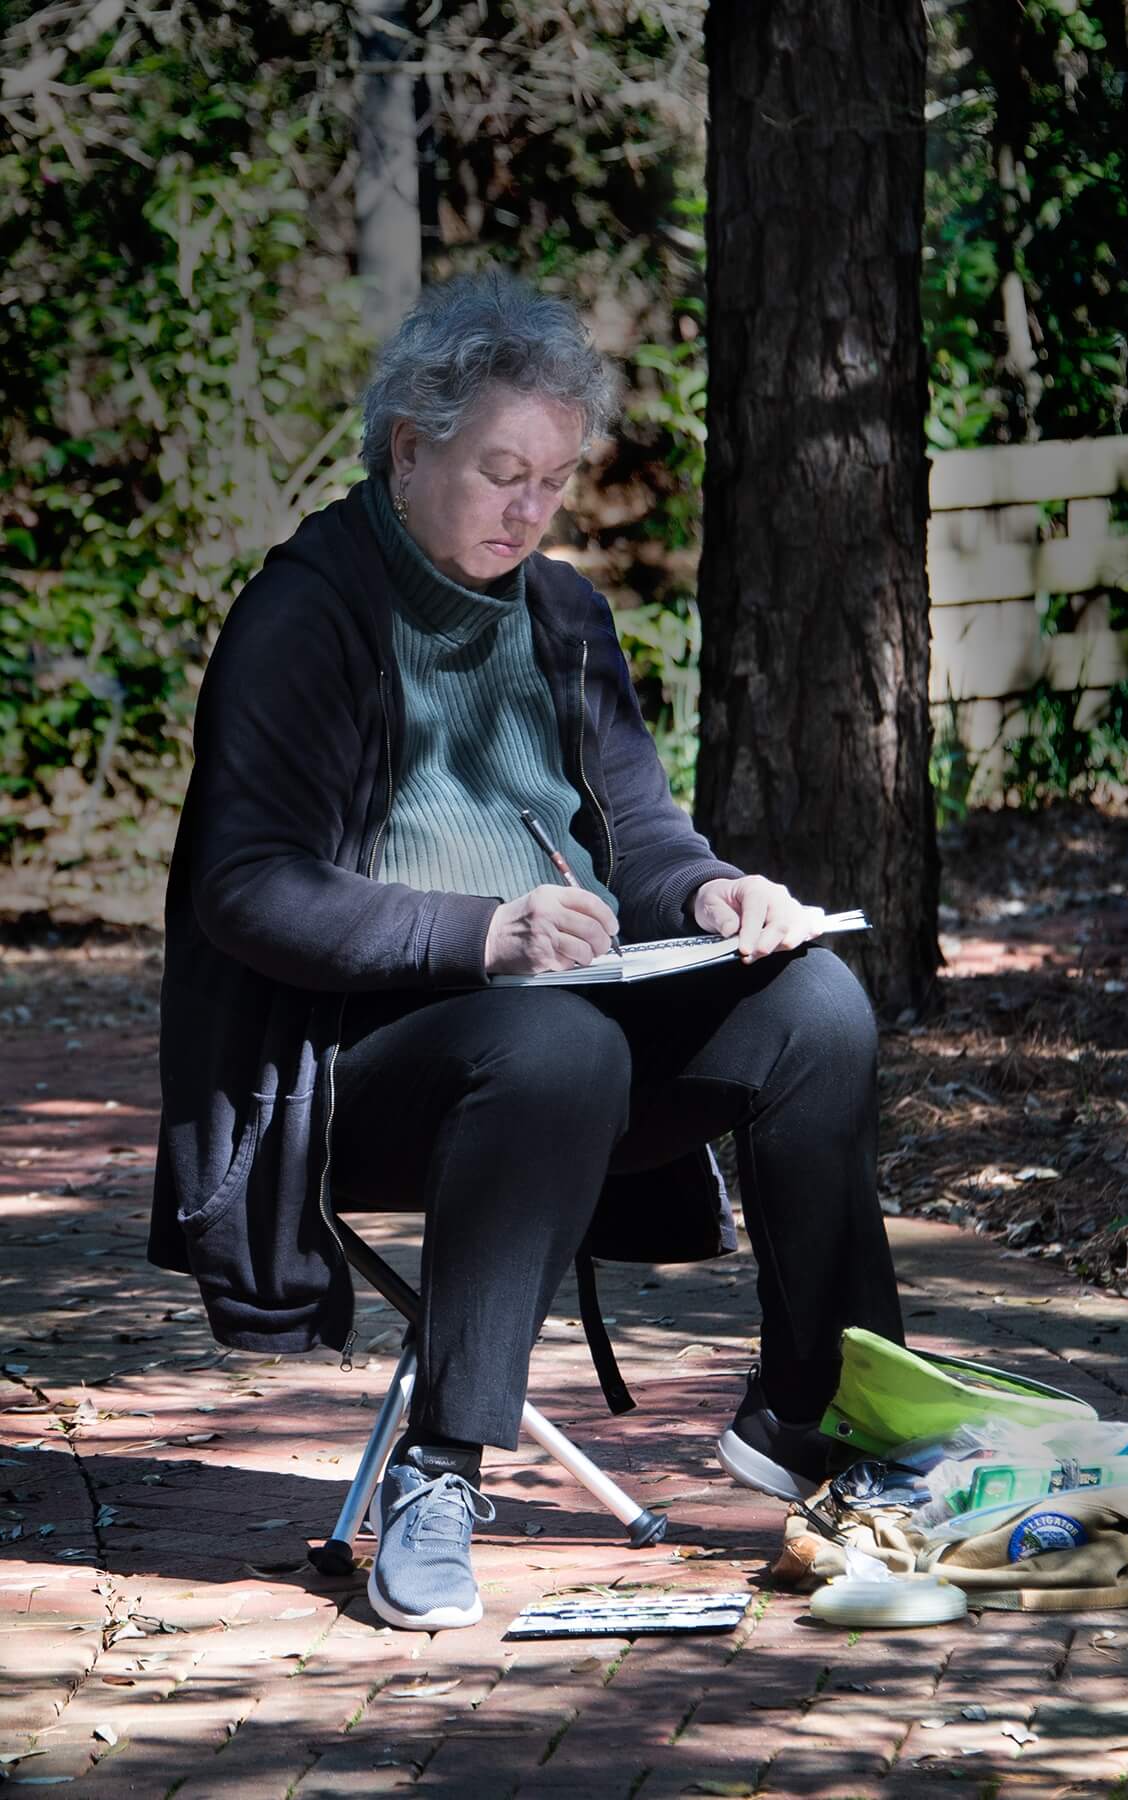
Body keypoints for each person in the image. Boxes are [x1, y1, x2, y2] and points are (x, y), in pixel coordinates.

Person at [149, 268, 905, 1632]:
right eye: (502, 473)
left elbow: (639, 835)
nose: (530, 509)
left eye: (554, 481)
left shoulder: (561, 617)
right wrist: (483, 931)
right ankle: (438, 1478)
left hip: (561, 1050)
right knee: (549, 1036)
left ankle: (819, 1409)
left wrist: (719, 893)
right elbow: (244, 889)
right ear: (409, 448)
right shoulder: (306, 616)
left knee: (818, 1010)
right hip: (351, 1077)